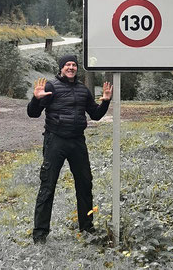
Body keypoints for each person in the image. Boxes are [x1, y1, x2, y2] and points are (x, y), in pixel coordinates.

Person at [27, 54, 112, 244]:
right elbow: (33, 114)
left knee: (85, 184)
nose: (71, 67)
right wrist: (35, 99)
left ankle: (87, 228)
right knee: (47, 187)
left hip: (77, 142)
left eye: (74, 65)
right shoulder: (50, 87)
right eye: (67, 65)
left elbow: (96, 115)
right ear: (61, 68)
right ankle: (40, 234)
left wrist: (105, 101)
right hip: (55, 140)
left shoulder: (83, 90)